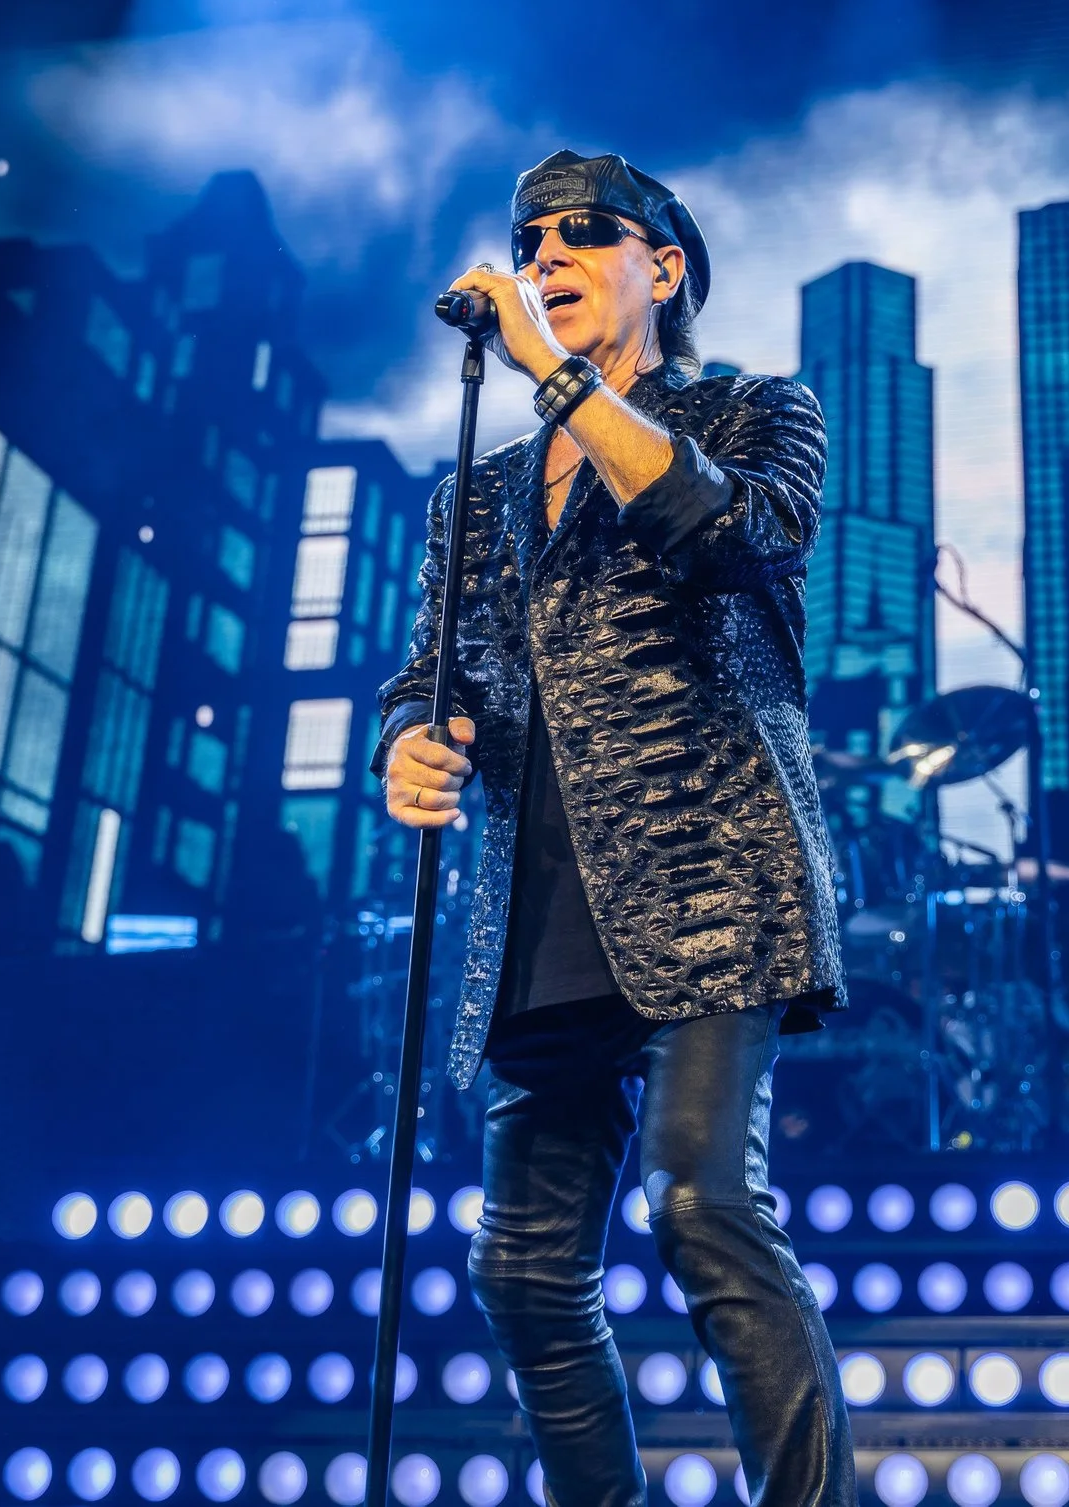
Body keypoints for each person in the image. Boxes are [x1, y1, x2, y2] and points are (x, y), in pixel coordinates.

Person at [373, 150, 853, 1507]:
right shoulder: (475, 492)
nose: (548, 254)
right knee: (523, 1272)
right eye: (532, 238)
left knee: (701, 1204)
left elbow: (733, 535)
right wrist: (410, 734)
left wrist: (552, 374)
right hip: (543, 903)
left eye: (586, 232)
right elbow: (436, 665)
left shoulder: (757, 409)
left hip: (713, 875)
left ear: (665, 266)